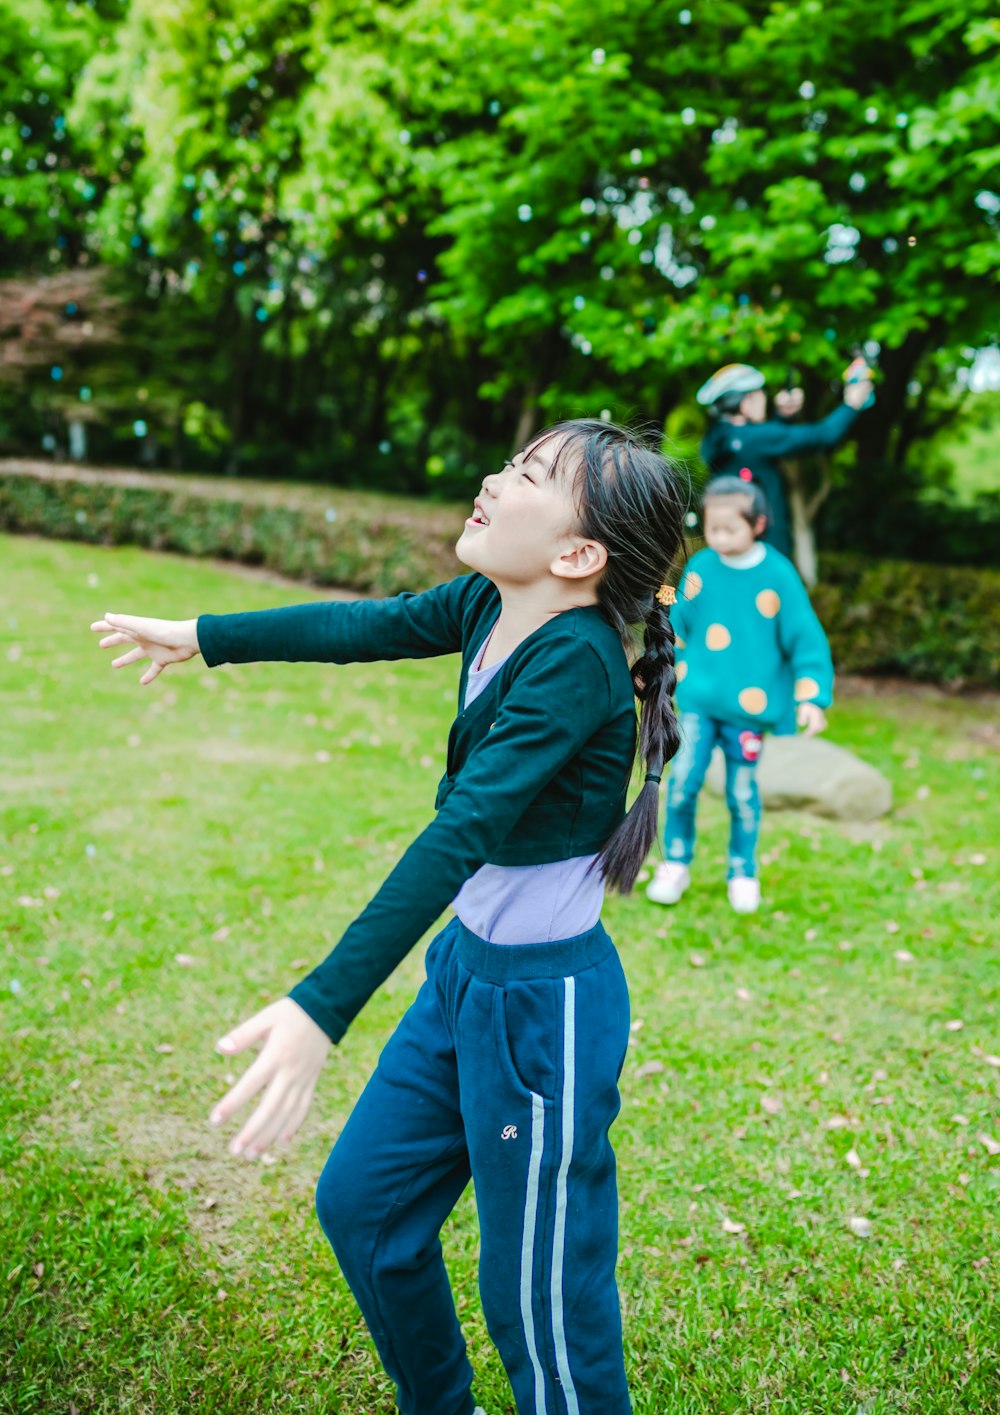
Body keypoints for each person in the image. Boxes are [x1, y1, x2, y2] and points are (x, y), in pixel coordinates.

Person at [91, 420, 688, 1415]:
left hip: (545, 1011)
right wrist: (203, 637)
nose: (493, 477)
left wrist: (323, 1004)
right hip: (464, 975)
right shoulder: (488, 605)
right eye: (507, 459)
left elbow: (460, 832)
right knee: (365, 1208)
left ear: (577, 556)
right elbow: (362, 623)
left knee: (538, 1303)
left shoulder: (575, 665)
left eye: (529, 474)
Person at [646, 474, 833, 916]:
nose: (719, 537)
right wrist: (655, 606)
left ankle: (742, 872)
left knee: (744, 794)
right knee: (683, 783)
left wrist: (811, 696)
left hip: (750, 712)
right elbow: (679, 623)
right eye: (713, 527)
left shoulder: (778, 575)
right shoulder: (702, 568)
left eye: (731, 528)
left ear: (759, 524)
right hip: (699, 703)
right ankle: (675, 863)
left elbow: (805, 638)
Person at [697, 359, 874, 559]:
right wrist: (852, 404)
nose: (765, 400)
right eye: (761, 395)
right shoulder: (756, 438)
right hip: (764, 550)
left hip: (735, 549)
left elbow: (758, 450)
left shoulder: (722, 437)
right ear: (745, 404)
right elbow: (824, 435)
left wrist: (782, 417)